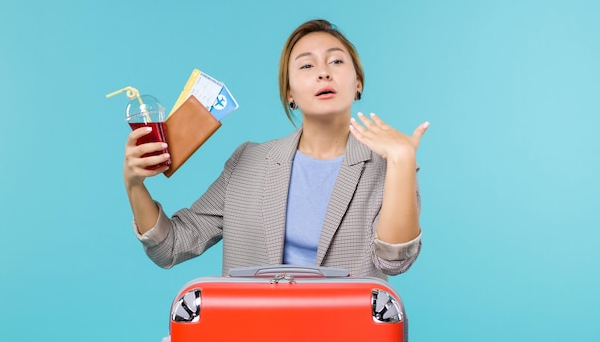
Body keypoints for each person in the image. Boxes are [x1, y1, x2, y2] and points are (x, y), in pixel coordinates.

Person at [123, 19, 429, 279]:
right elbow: (171, 246)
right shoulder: (248, 161)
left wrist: (402, 160)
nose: (323, 72)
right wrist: (134, 184)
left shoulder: (387, 166)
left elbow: (394, 261)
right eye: (307, 65)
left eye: (336, 61)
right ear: (290, 93)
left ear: (358, 82)